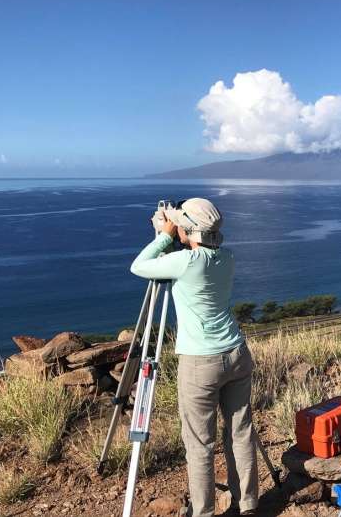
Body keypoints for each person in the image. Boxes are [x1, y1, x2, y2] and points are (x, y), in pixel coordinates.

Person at [130, 198, 258, 517]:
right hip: (237, 353)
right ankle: (248, 504)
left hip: (201, 363)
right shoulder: (226, 257)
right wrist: (179, 229)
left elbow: (139, 265)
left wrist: (163, 235)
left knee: (200, 445)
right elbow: (194, 248)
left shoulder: (183, 262)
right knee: (240, 433)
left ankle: (203, 512)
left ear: (190, 230)